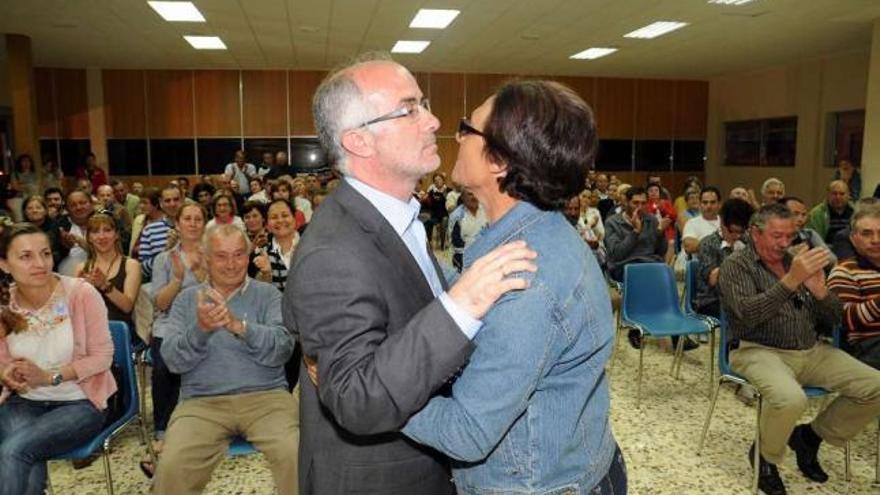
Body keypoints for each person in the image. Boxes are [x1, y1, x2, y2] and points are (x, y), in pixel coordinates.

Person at [285, 53, 538, 495]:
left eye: (424, 103)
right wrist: (459, 305)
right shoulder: (333, 251)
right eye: (409, 109)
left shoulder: (396, 217)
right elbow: (356, 399)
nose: (433, 120)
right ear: (359, 142)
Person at [401, 79, 625, 494]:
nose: (457, 135)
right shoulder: (530, 234)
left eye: (468, 127)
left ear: (499, 160)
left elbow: (467, 433)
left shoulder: (523, 283)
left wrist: (377, 393)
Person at [718, 203, 880, 495]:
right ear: (756, 233)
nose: (785, 243)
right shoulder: (736, 265)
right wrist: (791, 280)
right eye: (777, 236)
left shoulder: (797, 258)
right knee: (790, 399)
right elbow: (746, 314)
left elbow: (835, 319)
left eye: (789, 236)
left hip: (811, 351)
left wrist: (820, 293)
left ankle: (809, 436)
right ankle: (765, 458)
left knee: (876, 386)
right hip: (757, 350)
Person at [152, 224, 298, 495]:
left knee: (297, 454)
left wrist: (240, 327)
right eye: (221, 256)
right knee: (172, 465)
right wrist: (201, 330)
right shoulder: (186, 301)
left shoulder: (269, 295)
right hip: (202, 402)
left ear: (249, 255)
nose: (231, 264)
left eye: (239, 254)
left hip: (267, 399)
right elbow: (172, 361)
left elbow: (283, 349)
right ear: (206, 259)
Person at [0, 223, 116, 495]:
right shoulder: (5, 304)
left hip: (80, 402)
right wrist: (6, 373)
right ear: (4, 265)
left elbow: (103, 357)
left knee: (13, 451)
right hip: (24, 402)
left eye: (45, 253)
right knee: (22, 453)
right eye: (26, 256)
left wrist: (49, 376)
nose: (40, 263)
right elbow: (2, 359)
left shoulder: (80, 294)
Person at [142, 201, 208, 477]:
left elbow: (222, 295)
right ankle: (162, 434)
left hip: (206, 325)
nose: (192, 223)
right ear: (177, 225)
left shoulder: (215, 254)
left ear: (204, 224)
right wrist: (178, 278)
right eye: (187, 219)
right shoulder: (163, 259)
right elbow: (161, 303)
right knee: (164, 366)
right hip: (170, 325)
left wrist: (202, 271)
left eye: (198, 219)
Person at [75, 213, 142, 344]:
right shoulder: (81, 268)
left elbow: (127, 306)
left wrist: (104, 285)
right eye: (95, 232)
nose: (102, 236)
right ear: (88, 237)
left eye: (107, 230)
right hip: (90, 335)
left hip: (120, 334)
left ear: (116, 234)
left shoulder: (131, 265)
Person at [827, 204, 880, 369]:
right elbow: (845, 320)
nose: (876, 240)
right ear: (853, 238)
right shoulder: (844, 271)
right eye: (867, 234)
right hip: (867, 348)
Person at [693, 198, 754, 318]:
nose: (737, 236)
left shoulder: (746, 241)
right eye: (732, 231)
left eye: (741, 232)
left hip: (743, 296)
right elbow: (712, 280)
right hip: (712, 300)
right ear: (722, 223)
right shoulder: (709, 244)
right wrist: (738, 258)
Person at [138, 186, 182, 281]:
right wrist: (166, 251)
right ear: (161, 203)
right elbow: (143, 269)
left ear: (182, 200)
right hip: (162, 288)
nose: (172, 204)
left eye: (176, 199)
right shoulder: (150, 230)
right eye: (167, 201)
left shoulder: (195, 226)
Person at [781, 196, 837, 266]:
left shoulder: (810, 234)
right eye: (795, 214)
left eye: (803, 215)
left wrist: (809, 255)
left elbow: (832, 260)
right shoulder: (772, 237)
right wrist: (788, 254)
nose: (800, 219)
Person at [448, 189, 488, 272]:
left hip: (488, 253)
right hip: (465, 258)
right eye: (470, 194)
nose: (474, 197)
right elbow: (456, 244)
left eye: (476, 193)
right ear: (462, 197)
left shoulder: (487, 210)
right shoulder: (457, 216)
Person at [56, 191, 95, 276]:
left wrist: (83, 243)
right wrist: (64, 246)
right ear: (67, 209)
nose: (79, 207)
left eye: (83, 203)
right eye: (73, 205)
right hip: (67, 277)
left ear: (92, 204)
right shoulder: (59, 225)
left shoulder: (104, 221)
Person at [21, 195, 64, 267]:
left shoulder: (55, 226)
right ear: (24, 212)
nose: (34, 211)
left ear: (45, 211)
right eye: (30, 208)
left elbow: (59, 252)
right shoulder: (20, 228)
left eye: (38, 208)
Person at [681, 186, 721, 256]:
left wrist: (701, 244)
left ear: (719, 204)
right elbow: (689, 246)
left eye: (713, 202)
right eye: (705, 202)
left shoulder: (725, 222)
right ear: (700, 204)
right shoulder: (692, 223)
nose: (709, 206)